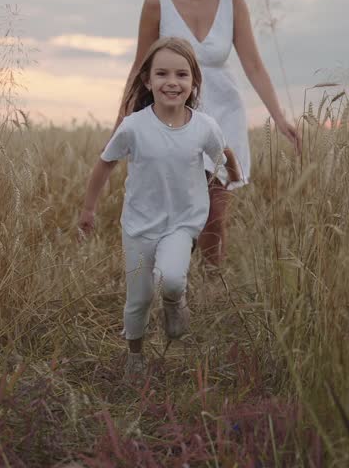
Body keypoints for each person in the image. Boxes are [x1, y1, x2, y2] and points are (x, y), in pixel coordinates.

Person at [115, 0, 300, 266]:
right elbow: (140, 65)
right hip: (174, 115)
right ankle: (175, 281)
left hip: (224, 113)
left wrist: (279, 116)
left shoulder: (233, 0)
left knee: (215, 211)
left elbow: (254, 65)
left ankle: (213, 286)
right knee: (177, 210)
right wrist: (122, 118)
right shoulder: (158, 1)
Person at [80, 37, 242, 379]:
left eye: (182, 75)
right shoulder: (134, 127)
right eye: (163, 74)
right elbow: (105, 163)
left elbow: (223, 151)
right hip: (139, 226)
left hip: (182, 223)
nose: (172, 82)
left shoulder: (203, 126)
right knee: (138, 298)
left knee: (170, 279)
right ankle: (135, 357)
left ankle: (175, 302)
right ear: (147, 81)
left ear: (194, 82)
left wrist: (234, 174)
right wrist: (88, 209)